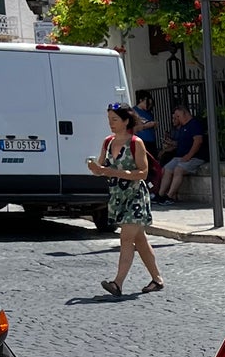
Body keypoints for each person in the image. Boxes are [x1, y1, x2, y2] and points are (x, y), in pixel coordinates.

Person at [88, 103, 164, 296]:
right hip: (118, 196)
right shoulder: (108, 142)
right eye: (109, 119)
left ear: (126, 120)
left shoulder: (136, 143)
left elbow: (142, 173)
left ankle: (117, 283)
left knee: (126, 238)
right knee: (140, 240)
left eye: (114, 119)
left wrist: (112, 172)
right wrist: (95, 169)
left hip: (135, 197)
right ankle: (157, 279)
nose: (110, 123)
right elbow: (103, 167)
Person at [159, 104, 207, 202]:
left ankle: (170, 196)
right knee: (167, 169)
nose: (177, 119)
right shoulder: (182, 127)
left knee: (178, 170)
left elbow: (198, 141)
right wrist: (171, 144)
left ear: (185, 114)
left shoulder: (194, 124)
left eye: (178, 116)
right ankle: (160, 194)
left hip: (194, 157)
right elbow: (182, 142)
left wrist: (189, 156)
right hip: (180, 156)